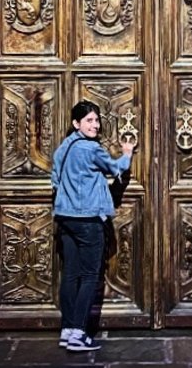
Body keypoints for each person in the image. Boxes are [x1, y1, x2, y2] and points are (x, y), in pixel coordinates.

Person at [51, 99, 136, 352]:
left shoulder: (63, 148)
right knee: (89, 276)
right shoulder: (91, 149)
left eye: (97, 120)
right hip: (87, 219)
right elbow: (115, 168)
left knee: (71, 274)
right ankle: (79, 333)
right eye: (89, 120)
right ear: (76, 123)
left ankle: (67, 329)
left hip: (65, 218)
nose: (95, 125)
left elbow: (55, 181)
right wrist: (127, 153)